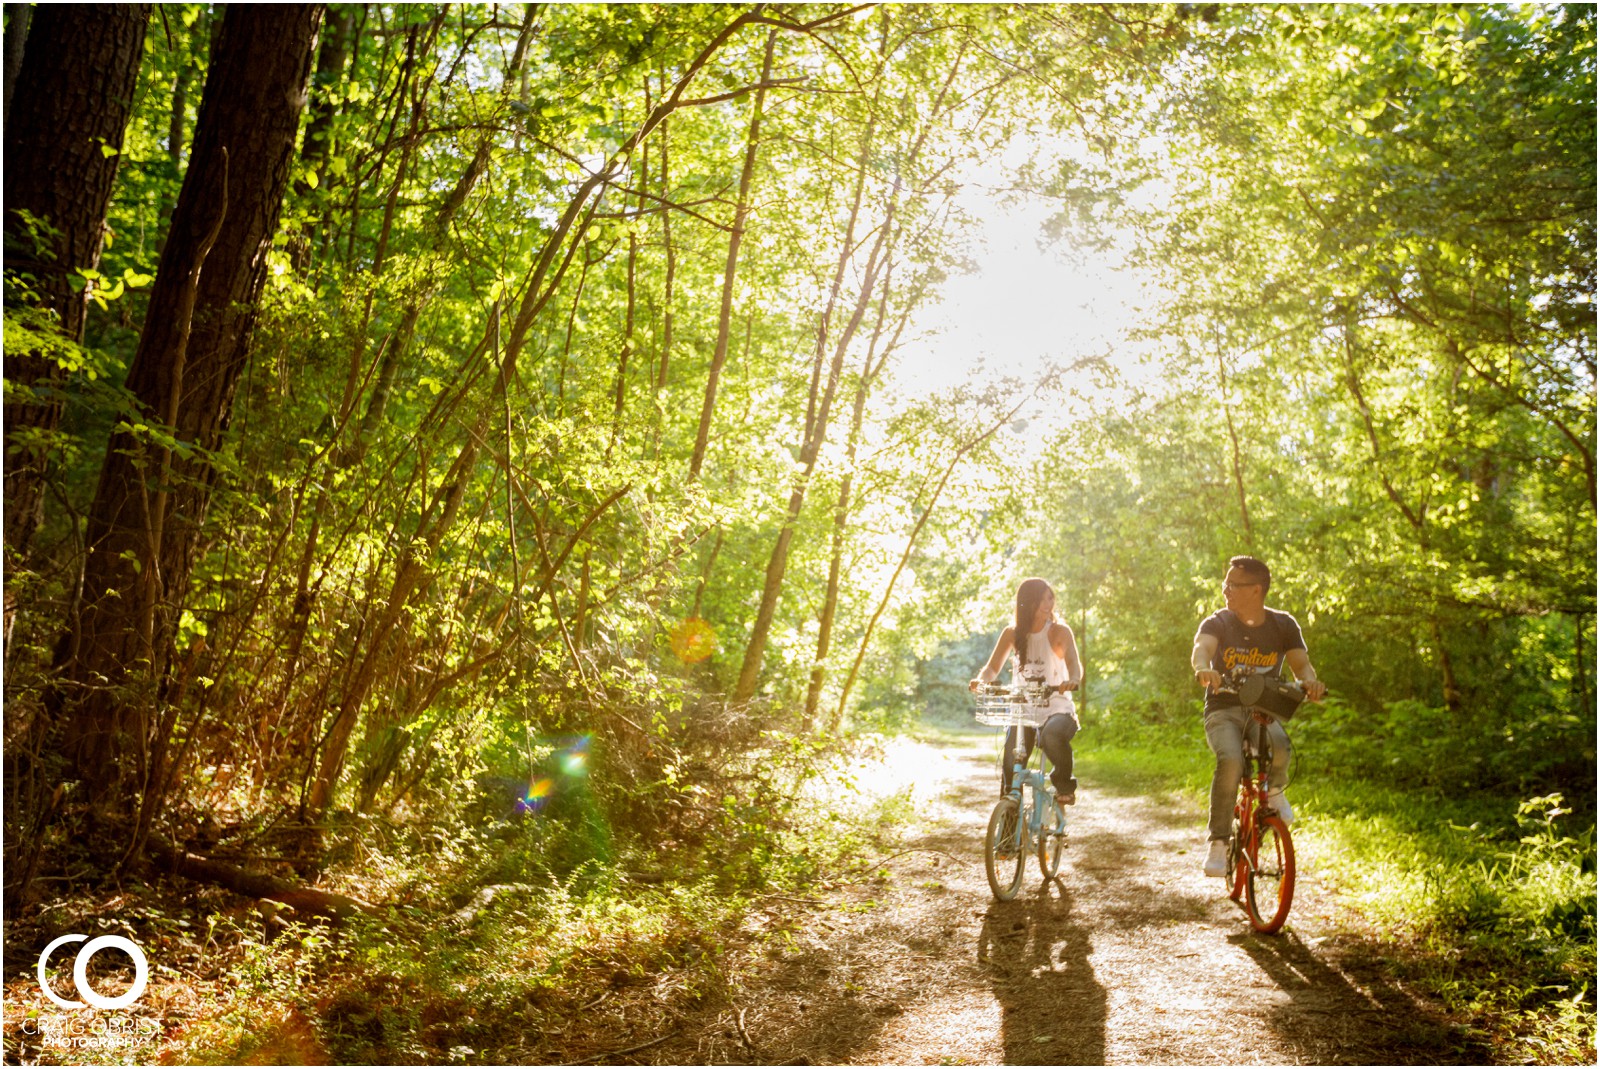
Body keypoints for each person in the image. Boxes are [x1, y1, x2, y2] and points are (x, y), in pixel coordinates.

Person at [1190, 555, 1327, 877]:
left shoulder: (1283, 624)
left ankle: (1275, 791)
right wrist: (1203, 669)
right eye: (1225, 584)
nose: (1225, 590)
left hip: (1264, 710)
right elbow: (1202, 648)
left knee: (1280, 746)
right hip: (1223, 710)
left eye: (1233, 585)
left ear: (1255, 589)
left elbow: (1301, 664)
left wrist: (1310, 682)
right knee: (1232, 761)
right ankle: (1219, 843)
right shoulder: (1218, 622)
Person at [969, 578, 1083, 806]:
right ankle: (1008, 834)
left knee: (1051, 735)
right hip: (1023, 712)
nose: (1047, 603)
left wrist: (1073, 679)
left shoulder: (1059, 632)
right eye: (1040, 599)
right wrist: (982, 681)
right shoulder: (1012, 634)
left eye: (1049, 597)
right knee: (1012, 764)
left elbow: (1073, 661)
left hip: (1058, 709)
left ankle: (1063, 785)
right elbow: (992, 668)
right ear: (1027, 603)